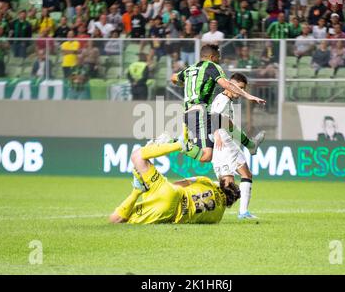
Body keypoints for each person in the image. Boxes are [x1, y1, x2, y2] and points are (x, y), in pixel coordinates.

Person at [170, 44, 266, 163]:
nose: (219, 60)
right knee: (206, 156)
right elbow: (227, 84)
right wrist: (248, 95)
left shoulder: (189, 69)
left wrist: (183, 84)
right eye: (218, 57)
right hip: (200, 113)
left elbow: (173, 77)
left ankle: (250, 145)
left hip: (192, 113)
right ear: (212, 57)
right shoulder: (212, 67)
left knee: (225, 120)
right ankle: (173, 143)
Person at [108, 145, 240, 224]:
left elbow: (181, 183)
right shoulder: (217, 217)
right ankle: (138, 191)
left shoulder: (209, 182)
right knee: (116, 219)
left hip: (171, 192)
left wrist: (158, 188)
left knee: (137, 156)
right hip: (168, 214)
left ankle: (177, 145)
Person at [211, 73, 262, 219]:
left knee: (237, 182)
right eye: (239, 88)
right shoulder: (223, 100)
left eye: (243, 89)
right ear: (230, 85)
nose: (240, 92)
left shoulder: (224, 99)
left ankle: (242, 212)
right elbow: (214, 116)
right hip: (226, 146)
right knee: (238, 182)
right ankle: (243, 212)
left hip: (225, 146)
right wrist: (217, 134)